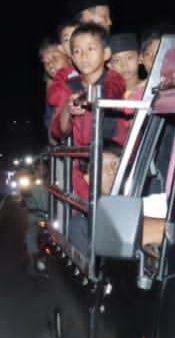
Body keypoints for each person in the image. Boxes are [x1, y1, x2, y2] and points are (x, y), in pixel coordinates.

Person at [47, 23, 128, 207]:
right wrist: (68, 109)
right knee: (84, 212)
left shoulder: (112, 78)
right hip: (82, 167)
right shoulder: (70, 86)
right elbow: (58, 131)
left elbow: (113, 91)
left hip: (111, 159)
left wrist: (92, 96)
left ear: (106, 54)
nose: (83, 56)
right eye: (77, 51)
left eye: (91, 49)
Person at [108, 32, 147, 100]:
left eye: (129, 58)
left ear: (140, 58)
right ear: (110, 66)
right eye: (117, 60)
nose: (124, 65)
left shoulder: (149, 89)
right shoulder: (107, 94)